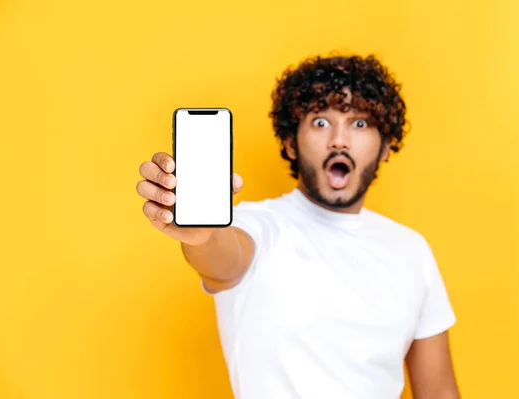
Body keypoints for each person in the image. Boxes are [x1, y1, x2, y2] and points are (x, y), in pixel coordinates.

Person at [136, 54, 460, 399]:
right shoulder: (258, 226)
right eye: (321, 122)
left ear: (384, 146)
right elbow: (222, 259)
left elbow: (439, 392)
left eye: (360, 124)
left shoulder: (411, 250)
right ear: (290, 143)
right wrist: (201, 236)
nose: (339, 140)